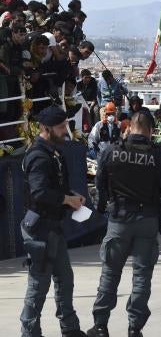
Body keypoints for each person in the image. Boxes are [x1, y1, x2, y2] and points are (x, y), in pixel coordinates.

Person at [87, 112, 161, 337]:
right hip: (147, 220)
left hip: (119, 219)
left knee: (110, 272)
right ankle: (134, 327)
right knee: (142, 275)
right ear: (150, 130)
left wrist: (101, 209)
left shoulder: (111, 151)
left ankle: (100, 325)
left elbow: (100, 188)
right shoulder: (157, 156)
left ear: (129, 127)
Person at [20, 106, 87, 337]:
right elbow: (39, 193)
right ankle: (29, 332)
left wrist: (72, 197)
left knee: (65, 278)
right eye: (60, 128)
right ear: (46, 129)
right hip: (41, 228)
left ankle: (70, 328)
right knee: (39, 285)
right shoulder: (38, 156)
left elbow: (56, 187)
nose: (65, 132)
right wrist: (66, 198)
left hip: (53, 227)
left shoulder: (53, 152)